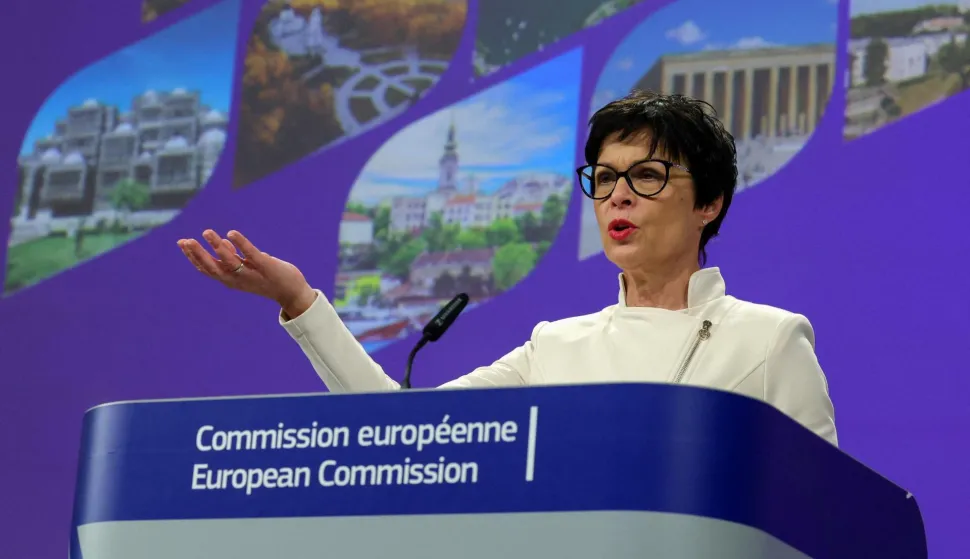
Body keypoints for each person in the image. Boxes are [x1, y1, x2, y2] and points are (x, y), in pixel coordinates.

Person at [177, 90, 837, 446]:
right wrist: (300, 300)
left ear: (711, 201)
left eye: (648, 175)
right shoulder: (556, 347)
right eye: (604, 178)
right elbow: (401, 433)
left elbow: (824, 522)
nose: (619, 196)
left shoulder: (770, 340)